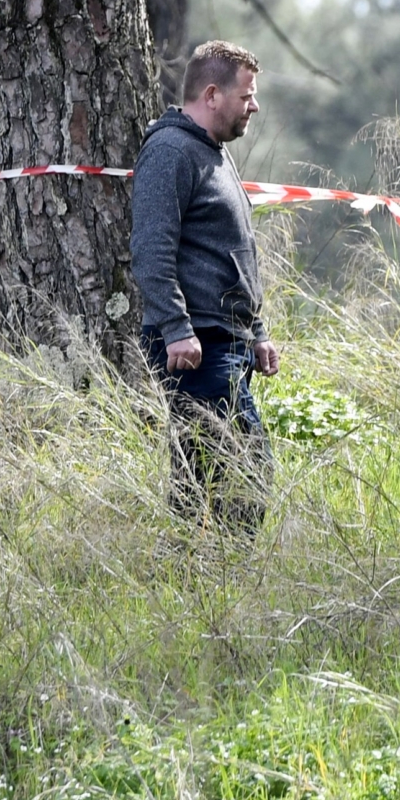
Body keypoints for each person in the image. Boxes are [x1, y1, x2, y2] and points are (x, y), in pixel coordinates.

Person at [131, 41, 282, 535]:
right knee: (246, 468)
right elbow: (151, 250)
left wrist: (255, 331)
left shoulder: (211, 151)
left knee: (199, 479)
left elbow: (232, 250)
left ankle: (183, 584)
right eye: (247, 96)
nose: (253, 106)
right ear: (213, 95)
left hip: (224, 342)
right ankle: (224, 582)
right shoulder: (171, 151)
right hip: (194, 349)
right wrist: (175, 328)